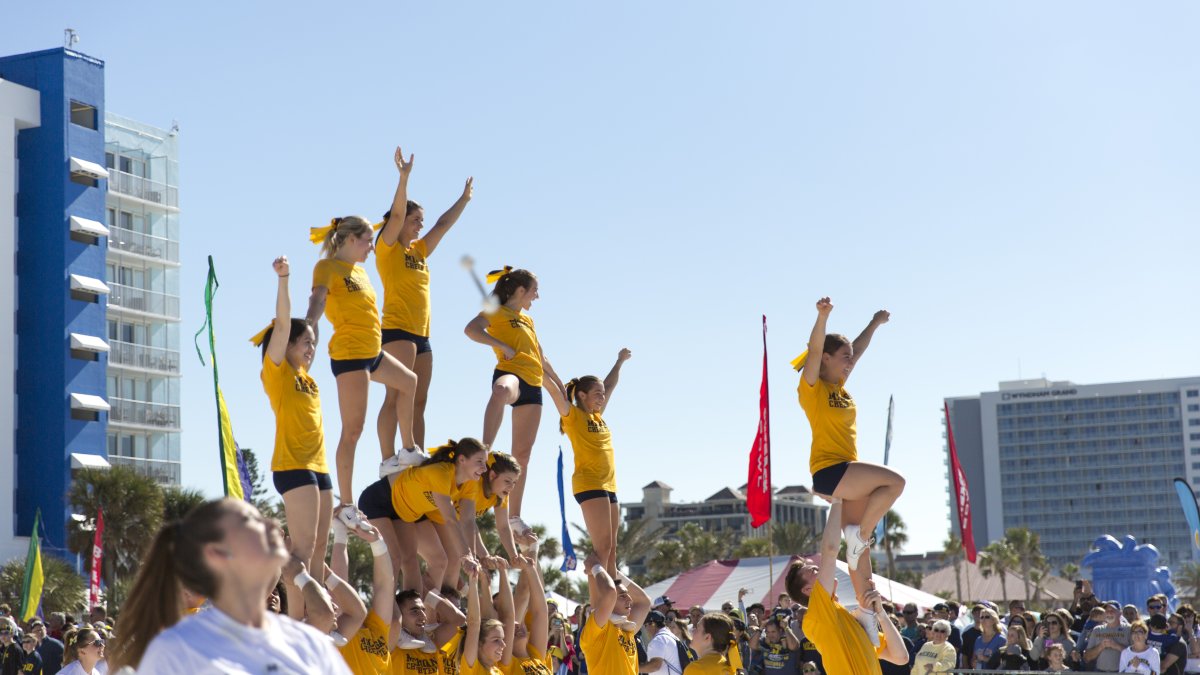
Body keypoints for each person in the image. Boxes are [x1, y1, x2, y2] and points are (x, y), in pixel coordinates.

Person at [108, 498, 350, 673]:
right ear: (217, 553)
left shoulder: (307, 643)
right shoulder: (177, 649)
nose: (273, 524)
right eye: (251, 521)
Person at [307, 213, 423, 530]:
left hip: (373, 352)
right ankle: (346, 505)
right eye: (368, 241)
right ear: (350, 239)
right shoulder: (327, 267)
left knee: (409, 381)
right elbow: (318, 299)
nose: (372, 247)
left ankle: (408, 450)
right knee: (353, 430)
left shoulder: (361, 271)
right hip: (350, 355)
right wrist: (309, 325)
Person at [252, 254, 334, 620]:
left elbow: (310, 322)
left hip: (319, 466)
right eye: (305, 344)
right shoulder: (278, 373)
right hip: (293, 465)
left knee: (317, 549)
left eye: (313, 345)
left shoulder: (306, 376)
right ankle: (289, 618)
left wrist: (320, 296)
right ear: (285, 345)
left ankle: (311, 619)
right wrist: (284, 279)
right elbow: (285, 323)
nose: (311, 349)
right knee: (300, 551)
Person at [375, 149, 473, 453]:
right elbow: (397, 215)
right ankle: (389, 456)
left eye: (421, 220)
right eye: (415, 220)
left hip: (422, 334)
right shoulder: (387, 248)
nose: (420, 225)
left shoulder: (418, 251)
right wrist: (404, 179)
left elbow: (442, 225)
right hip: (398, 330)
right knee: (395, 396)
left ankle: (416, 455)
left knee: (419, 400)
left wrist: (464, 200)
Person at [795, 299, 903, 570]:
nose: (850, 362)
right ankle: (862, 535)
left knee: (860, 560)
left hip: (846, 470)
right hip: (830, 470)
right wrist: (822, 317)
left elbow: (859, 349)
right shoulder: (812, 388)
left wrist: (875, 323)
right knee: (895, 482)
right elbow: (815, 349)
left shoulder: (840, 386)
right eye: (844, 357)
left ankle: (864, 591)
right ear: (826, 359)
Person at [464, 266, 551, 531]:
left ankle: (514, 517)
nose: (537, 296)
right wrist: (501, 345)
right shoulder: (496, 311)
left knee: (522, 456)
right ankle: (484, 450)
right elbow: (471, 330)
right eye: (534, 290)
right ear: (521, 290)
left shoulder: (529, 321)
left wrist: (559, 386)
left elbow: (542, 358)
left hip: (533, 383)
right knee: (500, 391)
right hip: (511, 374)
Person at [783, 499, 909, 675]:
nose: (820, 569)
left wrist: (881, 614)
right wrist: (837, 500)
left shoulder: (845, 618)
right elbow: (830, 550)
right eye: (813, 571)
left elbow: (901, 657)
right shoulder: (816, 615)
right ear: (808, 590)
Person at [544, 349, 631, 577]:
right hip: (589, 483)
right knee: (602, 547)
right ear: (582, 395)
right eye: (597, 394)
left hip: (609, 484)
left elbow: (610, 385)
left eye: (602, 394)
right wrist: (535, 365)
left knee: (611, 548)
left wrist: (619, 362)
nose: (602, 397)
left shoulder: (598, 416)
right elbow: (553, 390)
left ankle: (613, 586)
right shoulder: (573, 416)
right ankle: (601, 591)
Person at [365, 439, 486, 592]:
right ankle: (386, 605)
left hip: (404, 513)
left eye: (485, 462)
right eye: (479, 461)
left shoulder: (471, 483)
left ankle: (418, 605)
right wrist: (465, 556)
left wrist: (472, 557)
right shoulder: (441, 473)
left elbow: (468, 521)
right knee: (394, 559)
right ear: (462, 459)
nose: (484, 468)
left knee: (429, 561)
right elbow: (450, 519)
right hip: (380, 501)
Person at [581, 551, 652, 675]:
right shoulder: (598, 630)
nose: (630, 599)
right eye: (622, 596)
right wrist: (596, 567)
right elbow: (609, 592)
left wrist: (614, 572)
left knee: (610, 553)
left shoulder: (626, 630)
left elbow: (644, 602)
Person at [457, 451, 531, 568]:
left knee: (448, 565)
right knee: (445, 562)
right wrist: (483, 556)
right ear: (492, 475)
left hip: (447, 523)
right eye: (507, 481)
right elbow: (467, 522)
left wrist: (514, 556)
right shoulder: (474, 483)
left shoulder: (501, 494)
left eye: (514, 482)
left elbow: (503, 527)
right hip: (433, 515)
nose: (511, 487)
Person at [461, 562, 515, 675]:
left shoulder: (498, 671)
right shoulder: (472, 668)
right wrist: (473, 580)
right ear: (479, 643)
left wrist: (485, 582)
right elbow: (474, 624)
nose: (504, 645)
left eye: (502, 639)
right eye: (496, 640)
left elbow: (509, 617)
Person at [1087, 603, 1133, 673]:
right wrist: (1101, 646)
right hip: (1100, 672)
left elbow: (1137, 654)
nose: (1109, 613)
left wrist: (1116, 646)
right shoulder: (1097, 630)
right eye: (1107, 611)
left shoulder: (1129, 629)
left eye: (1112, 610)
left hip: (1123, 672)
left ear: (1120, 613)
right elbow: (1087, 657)